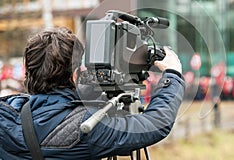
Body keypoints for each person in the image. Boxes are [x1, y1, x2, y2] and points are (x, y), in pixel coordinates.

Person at [0, 27, 185, 159]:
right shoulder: (87, 129)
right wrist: (173, 74)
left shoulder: (7, 112)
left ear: (28, 71)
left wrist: (97, 86)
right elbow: (155, 124)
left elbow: (54, 107)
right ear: (74, 75)